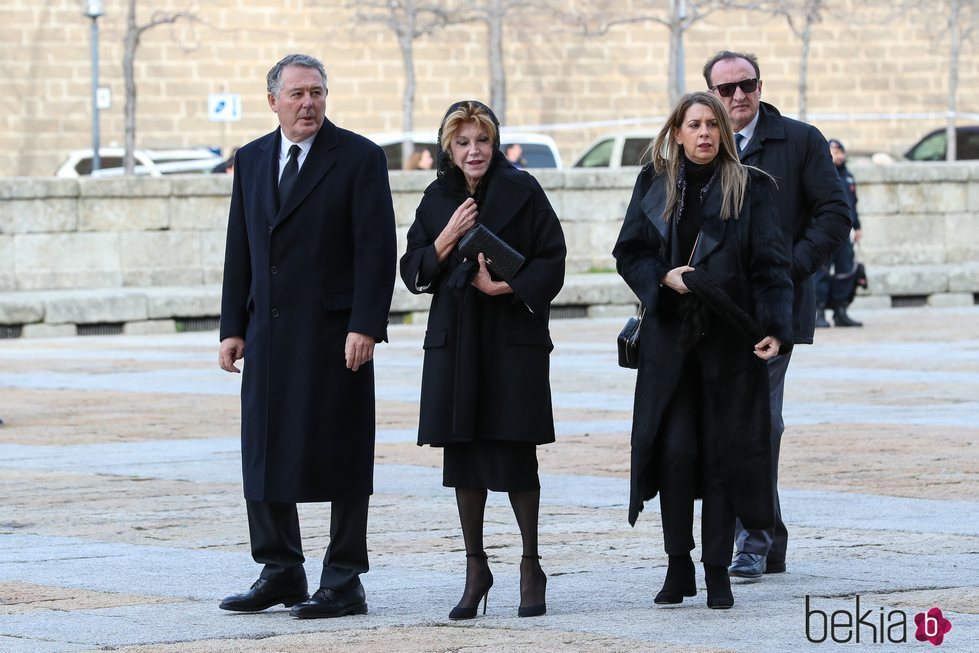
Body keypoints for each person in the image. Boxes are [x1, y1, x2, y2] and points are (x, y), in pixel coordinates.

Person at [217, 53, 397, 619]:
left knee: (342, 453)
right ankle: (281, 570)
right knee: (264, 450)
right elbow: (239, 248)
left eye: (317, 92)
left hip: (335, 334)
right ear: (273, 101)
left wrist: (366, 324)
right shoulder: (249, 160)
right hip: (267, 331)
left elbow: (376, 249)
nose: (308, 103)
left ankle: (343, 579)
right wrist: (231, 327)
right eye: (296, 94)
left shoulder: (360, 157)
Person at [613, 92, 793, 609]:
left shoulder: (751, 187)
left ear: (724, 133)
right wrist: (660, 277)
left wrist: (776, 329)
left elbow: (772, 267)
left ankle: (716, 571)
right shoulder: (653, 182)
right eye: (694, 124)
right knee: (674, 454)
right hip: (669, 346)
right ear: (676, 132)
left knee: (720, 460)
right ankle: (677, 564)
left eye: (712, 124)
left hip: (729, 348)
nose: (704, 133)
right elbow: (629, 252)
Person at [399, 100, 566, 619]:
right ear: (448, 147)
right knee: (463, 453)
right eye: (463, 141)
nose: (474, 151)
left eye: (483, 140)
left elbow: (554, 260)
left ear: (495, 143)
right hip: (457, 340)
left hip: (512, 337)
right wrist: (446, 238)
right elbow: (413, 271)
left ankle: (530, 566)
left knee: (515, 451)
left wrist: (506, 285)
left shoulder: (524, 190)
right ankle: (476, 568)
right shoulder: (435, 197)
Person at [702, 50, 851, 579]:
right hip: (710, 310)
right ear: (711, 94)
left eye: (748, 85)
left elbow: (835, 214)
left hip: (772, 308)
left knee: (757, 422)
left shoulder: (801, 140)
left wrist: (789, 269)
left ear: (760, 85)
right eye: (726, 90)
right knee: (725, 423)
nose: (739, 96)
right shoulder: (700, 141)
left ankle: (753, 540)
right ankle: (769, 537)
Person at [815, 139, 863, 328]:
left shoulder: (848, 177)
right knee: (821, 272)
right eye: (834, 151)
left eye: (840, 151)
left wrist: (858, 227)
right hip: (825, 232)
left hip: (845, 234)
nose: (839, 155)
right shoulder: (821, 174)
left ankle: (840, 311)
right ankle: (819, 312)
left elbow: (853, 206)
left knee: (846, 271)